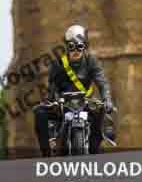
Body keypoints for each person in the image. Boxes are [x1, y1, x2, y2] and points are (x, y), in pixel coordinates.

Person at [34, 25, 114, 157]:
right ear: (66, 47)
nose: (75, 50)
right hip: (63, 105)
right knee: (39, 113)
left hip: (86, 103)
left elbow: (102, 82)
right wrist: (51, 100)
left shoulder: (91, 62)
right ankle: (46, 154)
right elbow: (52, 86)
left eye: (80, 46)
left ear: (84, 47)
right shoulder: (58, 64)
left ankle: (94, 151)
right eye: (71, 46)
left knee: (101, 113)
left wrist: (107, 99)